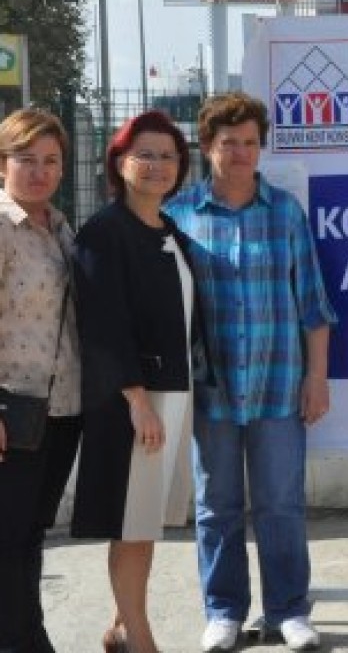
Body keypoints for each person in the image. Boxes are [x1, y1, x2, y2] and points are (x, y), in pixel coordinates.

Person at [165, 92, 336, 653]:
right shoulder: (180, 215)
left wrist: (317, 378)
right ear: (206, 146)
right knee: (217, 508)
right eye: (228, 142)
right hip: (210, 390)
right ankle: (223, 611)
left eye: (249, 142)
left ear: (261, 147)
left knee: (281, 504)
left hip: (278, 384)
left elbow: (313, 304)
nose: (240, 153)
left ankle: (288, 611)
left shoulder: (284, 212)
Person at [71, 110, 208, 653]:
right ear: (120, 162)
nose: (157, 165)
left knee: (145, 523)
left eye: (168, 156)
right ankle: (141, 641)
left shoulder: (170, 231)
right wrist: (137, 401)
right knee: (130, 525)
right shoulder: (104, 233)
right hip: (135, 400)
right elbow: (103, 325)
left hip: (171, 393)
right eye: (144, 154)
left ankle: (122, 625)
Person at [0, 109, 82, 653]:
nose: (39, 171)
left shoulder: (59, 227)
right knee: (8, 539)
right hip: (13, 409)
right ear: (2, 163)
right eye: (26, 159)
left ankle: (28, 636)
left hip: (61, 409)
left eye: (51, 160)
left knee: (30, 536)